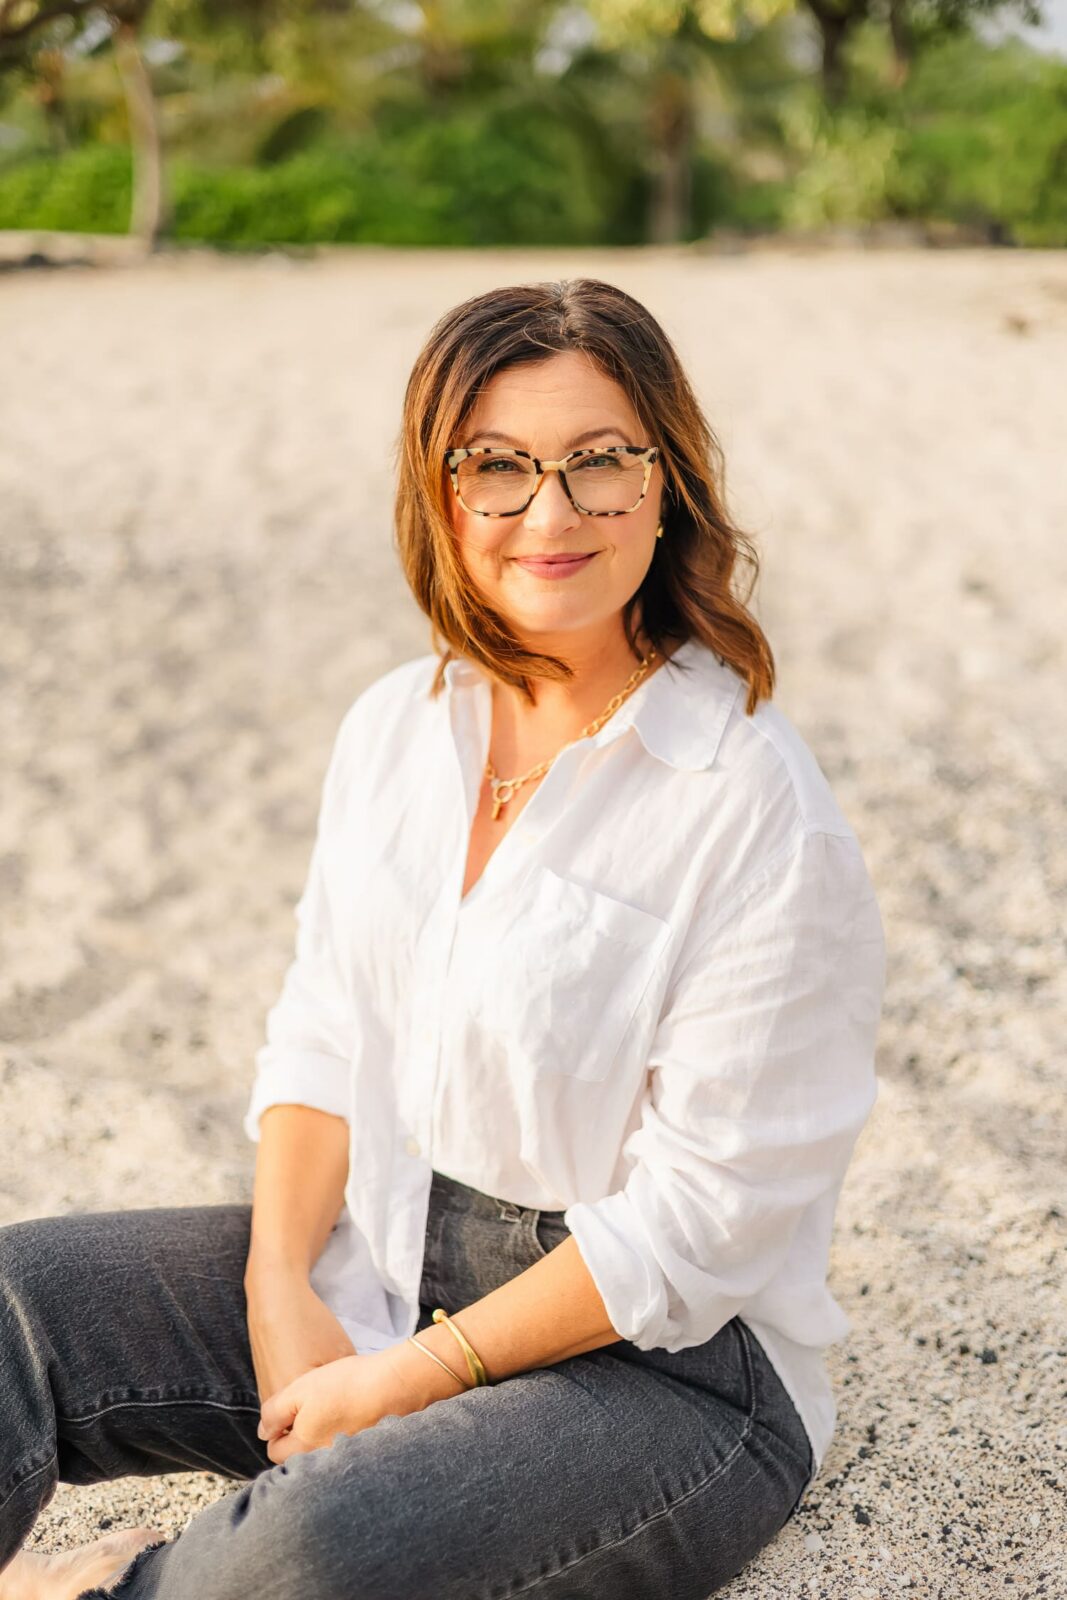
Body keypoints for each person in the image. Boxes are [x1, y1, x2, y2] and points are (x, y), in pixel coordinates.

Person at [0, 277, 886, 1600]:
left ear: (669, 482)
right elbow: (322, 1020)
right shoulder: (395, 730)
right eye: (500, 467)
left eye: (601, 462)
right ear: (441, 488)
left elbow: (702, 1224)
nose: (553, 513)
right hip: (389, 1244)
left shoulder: (756, 809)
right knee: (17, 1306)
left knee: (304, 1551)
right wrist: (278, 1287)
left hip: (667, 1367)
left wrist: (410, 1377)